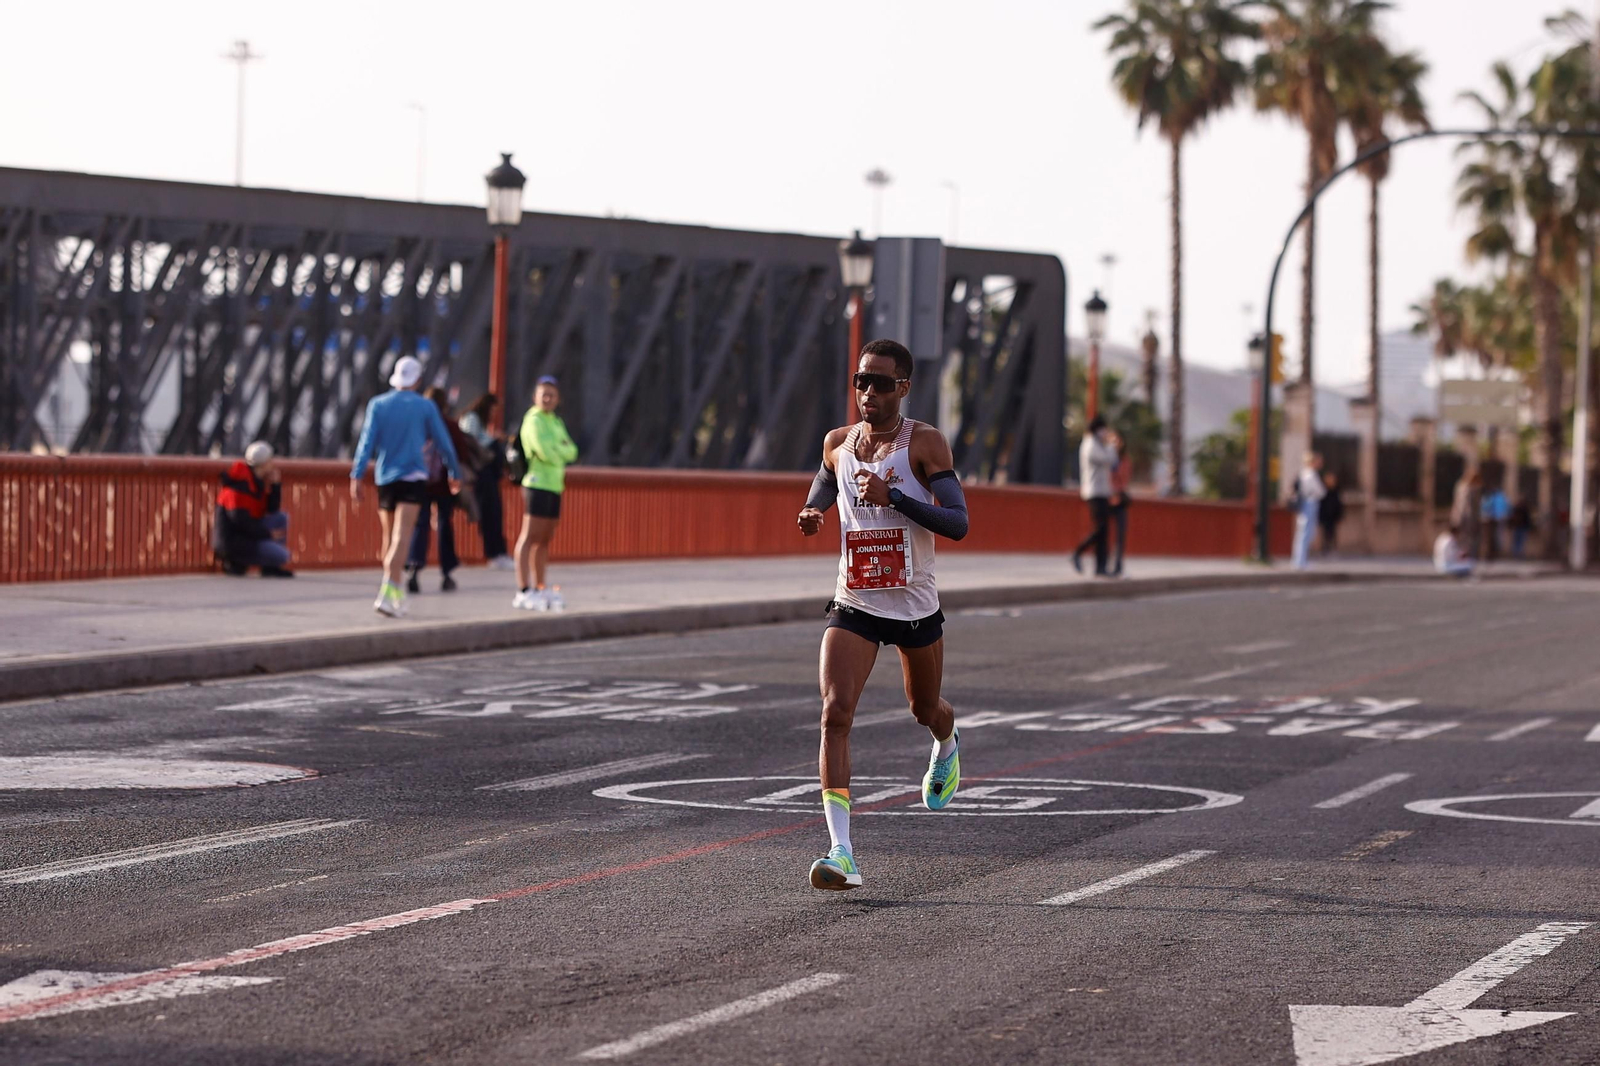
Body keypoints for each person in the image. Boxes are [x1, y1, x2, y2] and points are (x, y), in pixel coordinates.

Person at [796, 338, 970, 892]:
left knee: (923, 707)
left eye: (880, 383)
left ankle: (946, 741)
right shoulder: (837, 443)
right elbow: (828, 476)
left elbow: (959, 522)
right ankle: (841, 851)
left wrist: (896, 499)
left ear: (904, 387)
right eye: (861, 381)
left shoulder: (924, 444)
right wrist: (813, 510)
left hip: (914, 605)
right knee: (834, 712)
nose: (868, 393)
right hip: (856, 600)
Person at [350, 355, 461, 618]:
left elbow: (366, 442)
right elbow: (443, 442)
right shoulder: (425, 407)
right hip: (413, 477)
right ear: (418, 380)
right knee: (402, 538)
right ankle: (386, 593)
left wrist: (356, 475)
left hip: (385, 478)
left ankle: (396, 594)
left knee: (389, 540)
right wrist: (454, 471)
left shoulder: (378, 404)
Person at [405, 387, 483, 594]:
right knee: (444, 526)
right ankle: (446, 572)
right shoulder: (448, 425)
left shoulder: (418, 426)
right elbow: (461, 453)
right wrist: (456, 475)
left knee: (420, 524)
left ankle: (414, 566)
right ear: (444, 405)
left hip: (420, 482)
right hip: (445, 485)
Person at [512, 376, 579, 611]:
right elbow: (542, 451)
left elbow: (572, 450)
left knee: (545, 539)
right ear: (535, 397)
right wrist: (558, 450)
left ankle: (540, 586)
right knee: (529, 535)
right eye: (544, 394)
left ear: (558, 399)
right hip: (537, 483)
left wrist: (558, 450)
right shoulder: (533, 420)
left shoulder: (555, 421)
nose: (548, 398)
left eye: (552, 395)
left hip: (555, 485)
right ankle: (522, 589)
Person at [212, 441, 294, 577]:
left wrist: (275, 486)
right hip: (233, 543)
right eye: (270, 460)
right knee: (282, 555)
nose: (273, 463)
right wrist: (267, 534)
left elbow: (272, 510)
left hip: (246, 537)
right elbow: (240, 522)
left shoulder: (255, 483)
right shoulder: (239, 487)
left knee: (281, 518)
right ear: (263, 464)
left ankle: (270, 568)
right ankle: (235, 562)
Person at [459, 393, 514, 571]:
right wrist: (493, 441)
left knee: (495, 512)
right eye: (493, 410)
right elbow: (471, 442)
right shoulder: (471, 419)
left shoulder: (478, 423)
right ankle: (494, 554)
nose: (493, 414)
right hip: (481, 474)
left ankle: (499, 552)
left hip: (487, 474)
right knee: (490, 513)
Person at [1072, 415, 1116, 576]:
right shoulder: (1090, 445)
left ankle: (1101, 567)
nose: (1106, 433)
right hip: (1094, 492)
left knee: (1103, 531)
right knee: (1100, 529)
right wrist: (1111, 445)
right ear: (1097, 429)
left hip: (1103, 492)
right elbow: (1109, 460)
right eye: (1104, 429)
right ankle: (1079, 552)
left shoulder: (1098, 444)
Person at [1291, 452, 1326, 571]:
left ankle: (1298, 560)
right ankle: (1301, 562)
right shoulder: (1311, 474)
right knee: (1306, 533)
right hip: (1310, 502)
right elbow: (1321, 491)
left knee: (1302, 532)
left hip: (1305, 503)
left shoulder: (1303, 473)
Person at [1106, 431, 1131, 577]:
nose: (1116, 444)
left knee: (1120, 533)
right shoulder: (1107, 458)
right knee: (1106, 534)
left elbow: (1124, 478)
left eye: (1118, 441)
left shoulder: (1125, 460)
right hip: (1107, 498)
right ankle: (1106, 564)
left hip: (1120, 499)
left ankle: (1118, 565)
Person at [1451, 469, 1484, 562]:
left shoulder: (1459, 487)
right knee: (1470, 540)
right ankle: (1468, 558)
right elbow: (1470, 507)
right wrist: (1474, 520)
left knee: (1461, 539)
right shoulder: (1472, 490)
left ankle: (1460, 557)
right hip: (1469, 518)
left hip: (1458, 516)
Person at [1481, 479, 1510, 561]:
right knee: (1494, 537)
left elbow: (1486, 508)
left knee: (1494, 538)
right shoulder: (1500, 497)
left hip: (1494, 519)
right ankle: (1493, 553)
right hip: (1495, 519)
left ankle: (1494, 553)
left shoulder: (1493, 497)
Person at [1318, 472, 1345, 556]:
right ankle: (1325, 549)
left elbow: (1339, 504)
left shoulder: (1336, 490)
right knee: (1325, 532)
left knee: (1333, 532)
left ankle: (1333, 548)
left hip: (1333, 515)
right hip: (1325, 515)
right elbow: (1321, 503)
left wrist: (1339, 515)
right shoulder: (1323, 490)